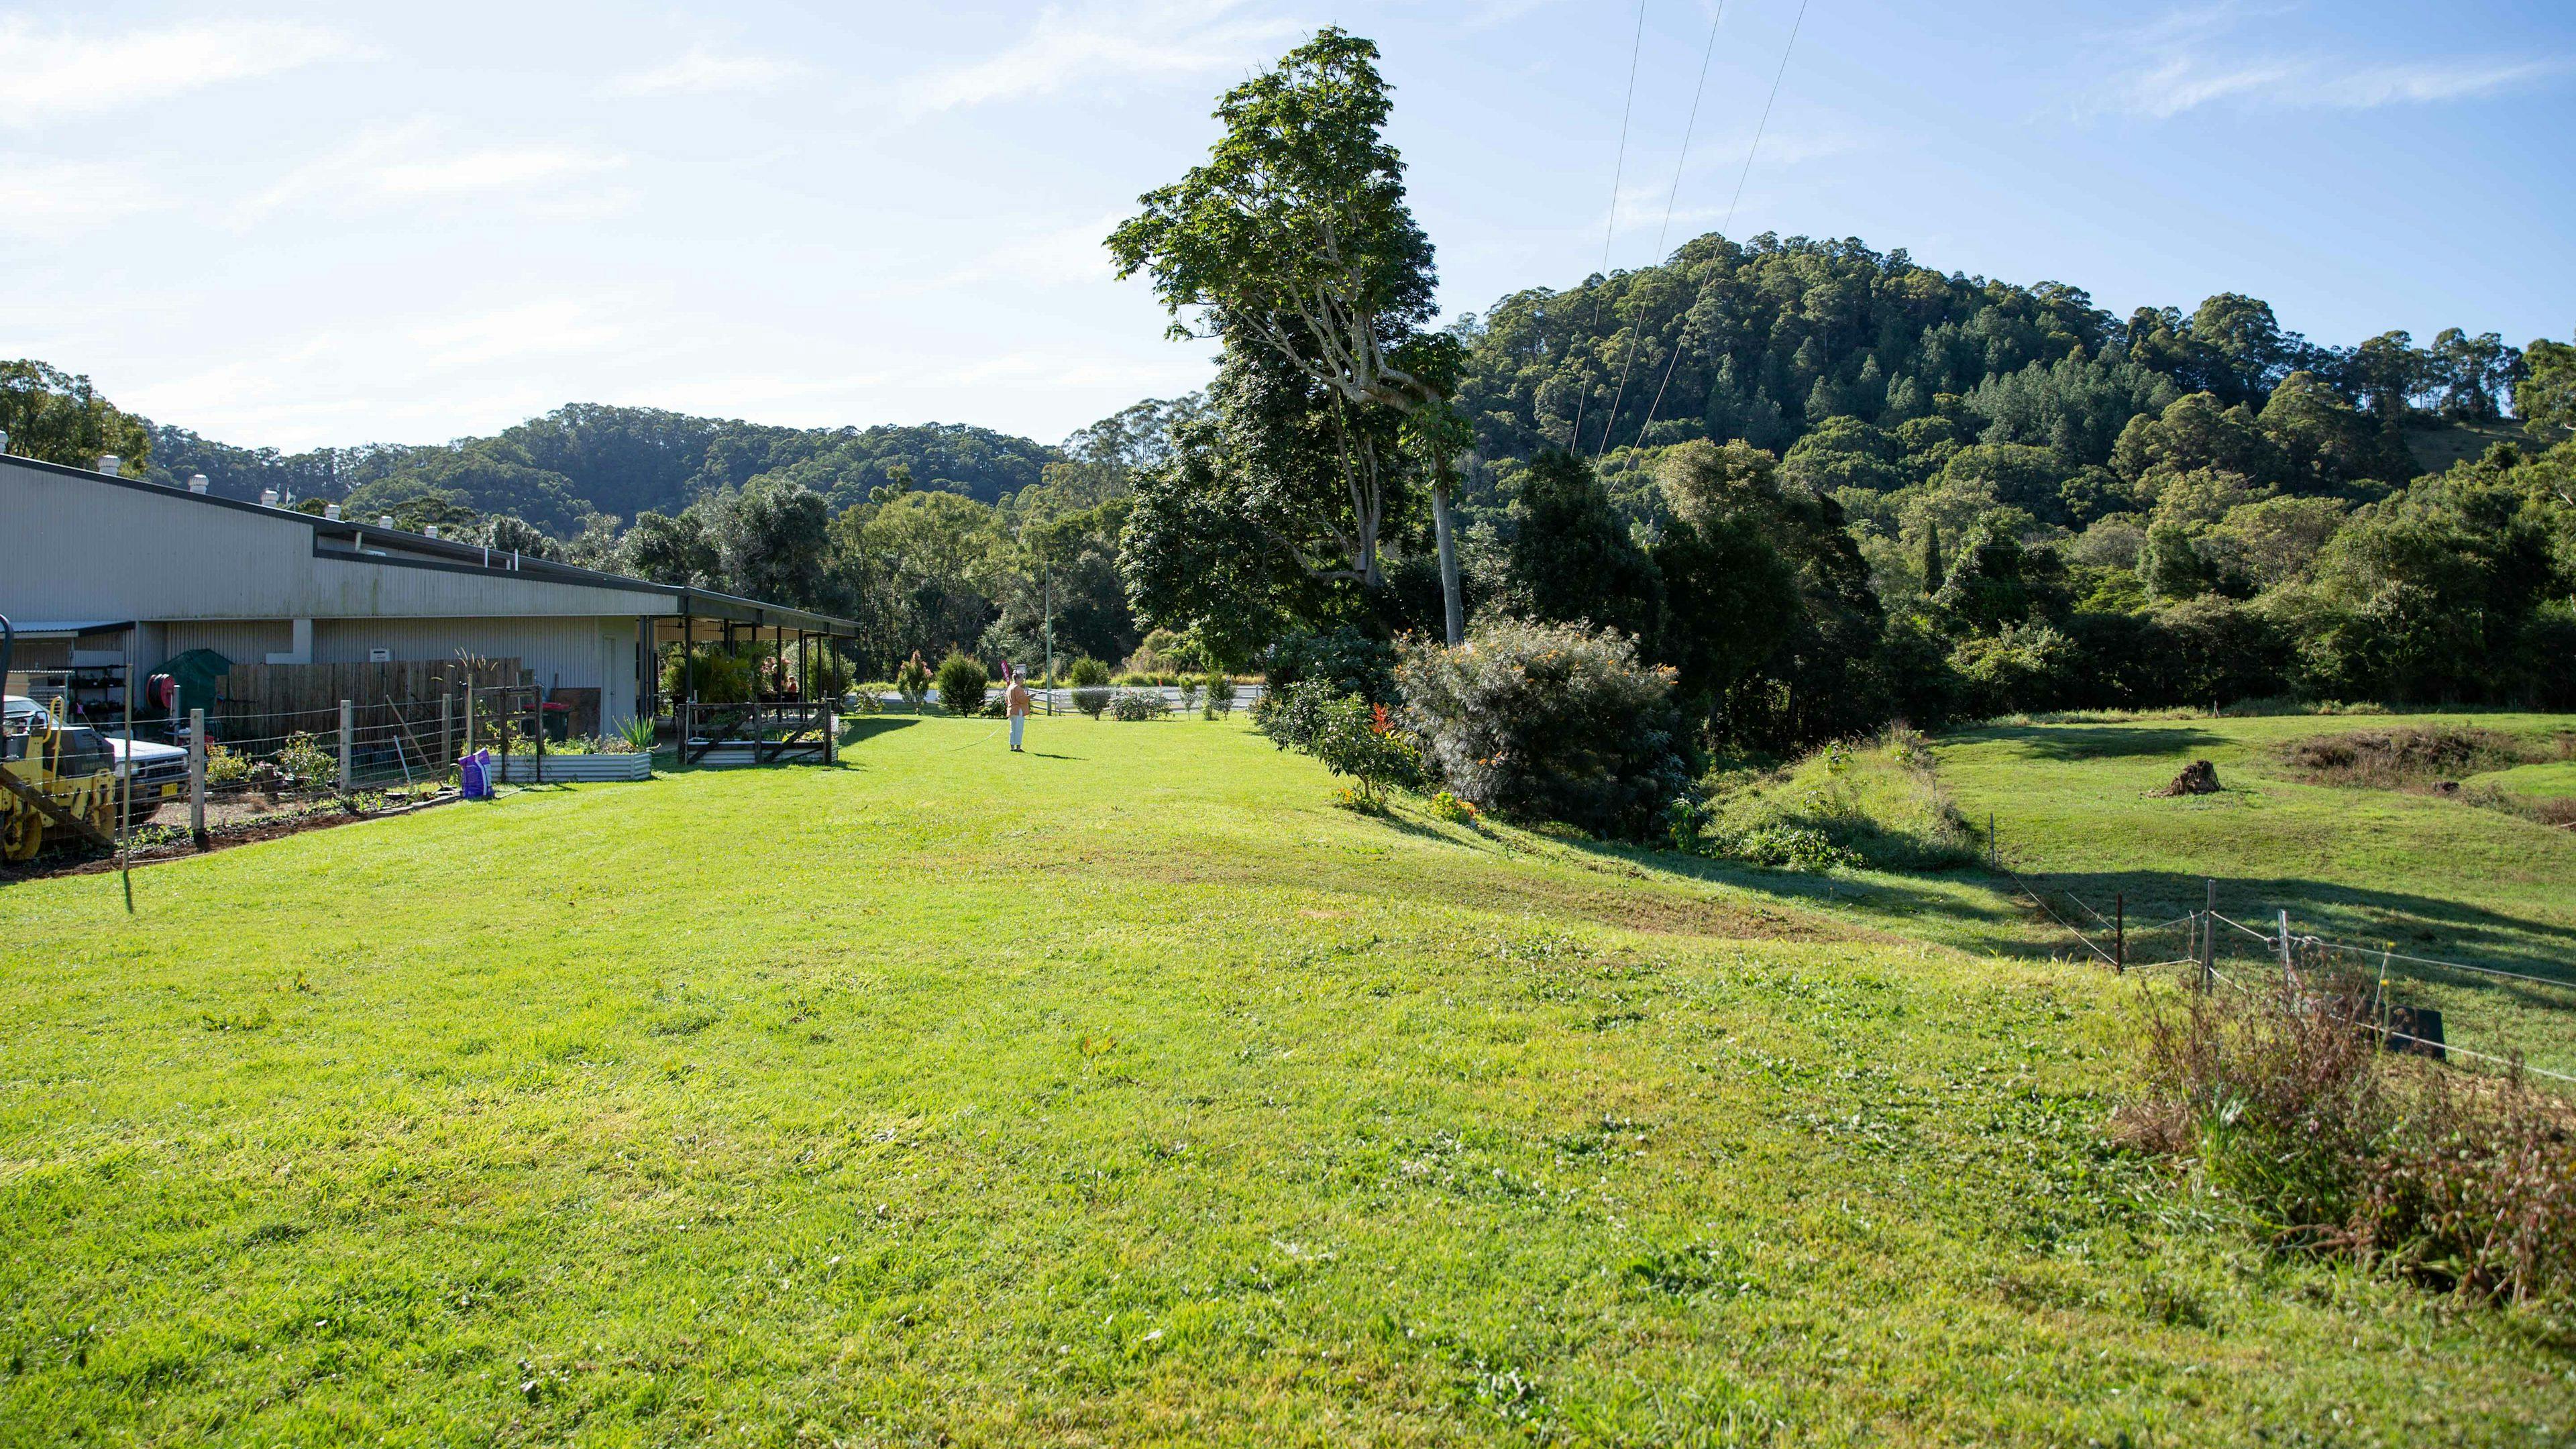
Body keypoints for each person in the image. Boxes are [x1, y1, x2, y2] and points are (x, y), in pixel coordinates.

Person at [1004, 665, 1032, 752]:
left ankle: (1012, 747)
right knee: (1019, 729)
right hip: (1018, 710)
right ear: (1017, 679)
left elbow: (1006, 699)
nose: (1023, 681)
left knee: (1013, 729)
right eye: (1022, 679)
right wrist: (1029, 697)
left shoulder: (1010, 687)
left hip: (1011, 710)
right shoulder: (1017, 687)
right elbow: (1021, 699)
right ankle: (1018, 747)